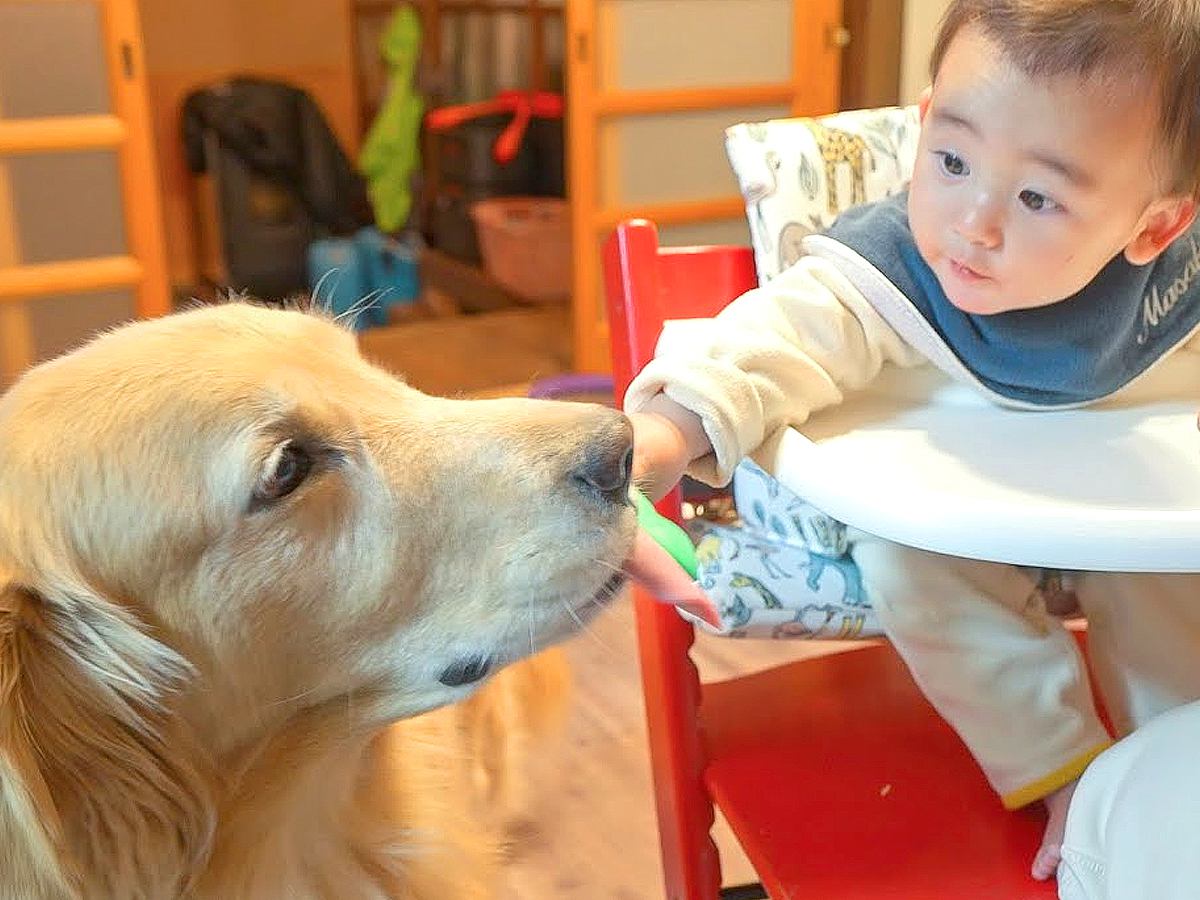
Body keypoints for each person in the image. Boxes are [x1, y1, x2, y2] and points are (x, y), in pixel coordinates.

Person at [625, 0, 1200, 881]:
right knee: (909, 561)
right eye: (954, 160)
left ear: (1154, 228)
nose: (974, 222)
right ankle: (1068, 772)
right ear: (924, 124)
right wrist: (661, 434)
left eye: (1038, 196)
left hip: (1124, 504)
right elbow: (771, 343)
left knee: (1169, 561)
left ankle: (1171, 778)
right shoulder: (895, 270)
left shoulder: (1178, 272)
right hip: (952, 515)